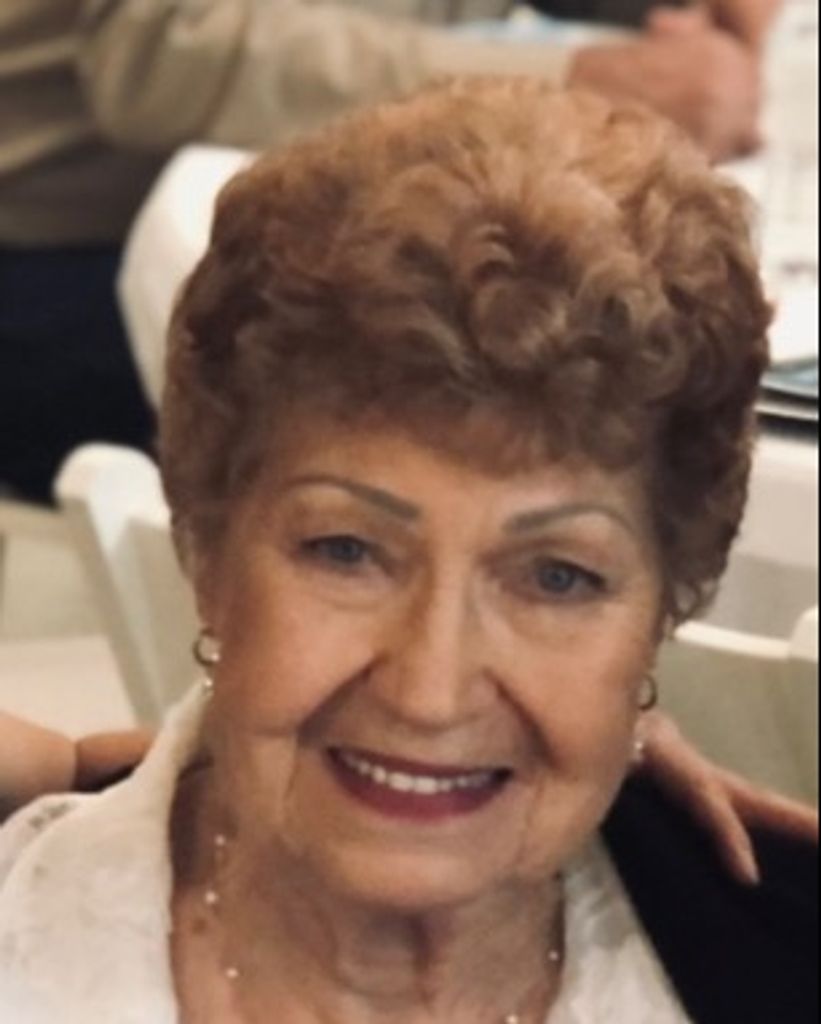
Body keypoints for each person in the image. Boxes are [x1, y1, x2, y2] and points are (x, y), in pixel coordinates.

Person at [1, 76, 816, 1023]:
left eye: (558, 578)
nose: (430, 692)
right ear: (205, 547)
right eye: (347, 552)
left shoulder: (771, 962)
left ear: (660, 609)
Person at [0, 0, 774, 504]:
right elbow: (165, 53)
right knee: (535, 411)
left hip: (276, 209)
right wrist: (576, 76)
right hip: (57, 245)